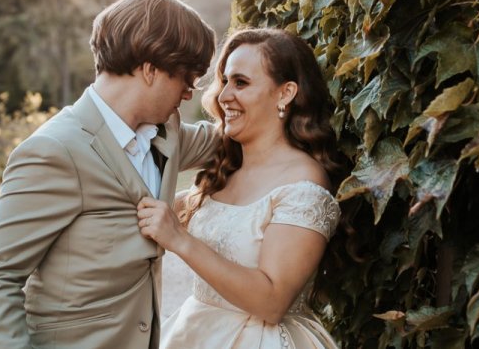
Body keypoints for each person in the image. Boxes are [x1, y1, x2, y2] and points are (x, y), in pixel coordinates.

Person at [0, 0, 220, 349]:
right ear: (150, 70)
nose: (188, 94)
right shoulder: (53, 151)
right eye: (187, 80)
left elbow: (233, 140)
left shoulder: (169, 133)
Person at [137, 28, 350, 348]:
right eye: (224, 82)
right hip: (193, 333)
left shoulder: (304, 182)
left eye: (241, 82)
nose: (223, 96)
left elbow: (272, 301)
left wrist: (180, 240)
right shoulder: (226, 169)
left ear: (285, 93)